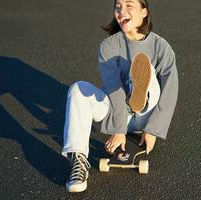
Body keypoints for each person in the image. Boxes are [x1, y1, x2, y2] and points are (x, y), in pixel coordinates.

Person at [60, 0, 178, 192]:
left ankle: (139, 91)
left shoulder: (160, 47)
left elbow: (170, 90)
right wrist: (119, 128)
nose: (121, 11)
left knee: (144, 67)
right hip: (115, 112)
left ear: (144, 12)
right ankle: (79, 162)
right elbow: (114, 88)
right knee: (77, 88)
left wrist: (154, 129)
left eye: (129, 5)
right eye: (118, 7)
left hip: (145, 115)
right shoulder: (109, 46)